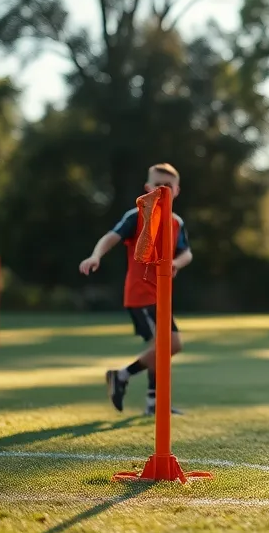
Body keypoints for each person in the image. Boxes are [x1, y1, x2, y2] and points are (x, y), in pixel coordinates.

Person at [79, 163, 191, 416]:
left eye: (168, 186)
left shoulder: (176, 223)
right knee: (169, 345)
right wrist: (96, 256)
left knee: (163, 346)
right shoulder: (137, 216)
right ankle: (123, 375)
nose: (163, 190)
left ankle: (152, 401)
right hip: (141, 294)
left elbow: (187, 253)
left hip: (162, 296)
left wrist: (175, 263)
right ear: (148, 188)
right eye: (158, 185)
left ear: (177, 191)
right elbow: (111, 236)